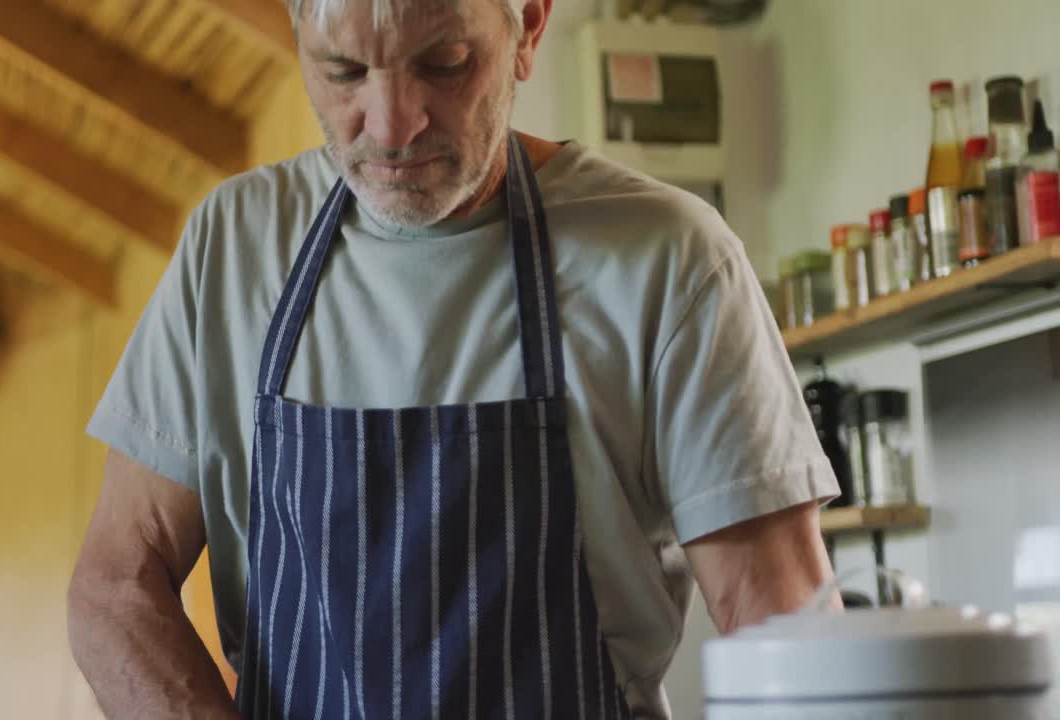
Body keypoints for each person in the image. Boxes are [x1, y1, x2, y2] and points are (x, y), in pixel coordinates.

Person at [67, 0, 842, 717]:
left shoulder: (670, 260)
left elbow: (778, 623)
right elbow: (115, 587)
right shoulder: (233, 246)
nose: (392, 125)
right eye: (343, 72)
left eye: (444, 65)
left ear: (529, 27)